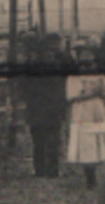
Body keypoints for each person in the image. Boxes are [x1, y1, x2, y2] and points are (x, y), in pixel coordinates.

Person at [66, 44, 105, 190]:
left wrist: (104, 91)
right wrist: (92, 93)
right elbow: (72, 96)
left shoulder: (99, 73)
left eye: (89, 54)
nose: (87, 57)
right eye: (84, 54)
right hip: (83, 110)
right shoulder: (74, 74)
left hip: (98, 109)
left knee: (102, 140)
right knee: (86, 143)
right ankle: (90, 179)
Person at [17, 34, 68, 177]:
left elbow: (22, 87)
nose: (50, 53)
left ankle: (47, 170)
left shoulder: (57, 63)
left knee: (47, 141)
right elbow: (23, 87)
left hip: (46, 108)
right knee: (43, 141)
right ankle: (45, 170)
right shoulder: (33, 66)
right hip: (42, 108)